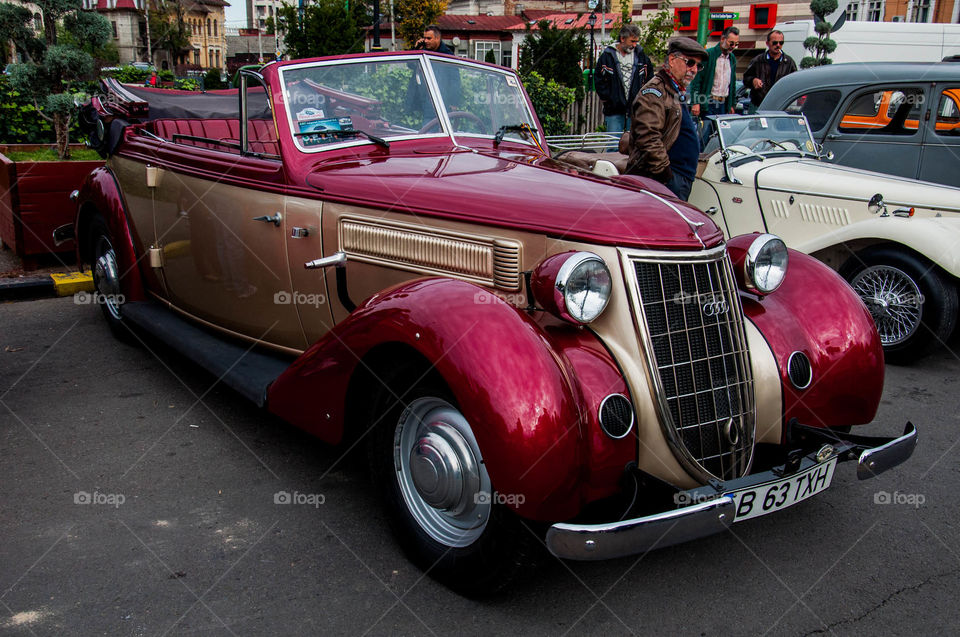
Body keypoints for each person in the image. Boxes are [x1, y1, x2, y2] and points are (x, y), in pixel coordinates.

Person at [626, 37, 707, 201]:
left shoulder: (675, 90)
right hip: (665, 179)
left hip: (679, 177)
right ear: (672, 60)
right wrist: (666, 174)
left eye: (698, 65)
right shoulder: (654, 92)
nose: (694, 69)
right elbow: (648, 136)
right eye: (690, 62)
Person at [594, 24, 654, 137]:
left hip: (636, 109)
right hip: (614, 109)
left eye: (636, 41)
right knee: (613, 144)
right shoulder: (607, 57)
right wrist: (608, 99)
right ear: (622, 39)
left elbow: (649, 79)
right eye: (632, 41)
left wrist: (644, 100)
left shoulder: (642, 57)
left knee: (634, 144)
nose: (635, 45)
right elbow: (599, 80)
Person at [688, 26, 738, 145]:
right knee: (704, 136)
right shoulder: (709, 55)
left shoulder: (732, 58)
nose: (733, 47)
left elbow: (732, 83)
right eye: (731, 43)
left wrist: (731, 104)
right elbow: (696, 80)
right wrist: (696, 102)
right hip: (709, 102)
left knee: (720, 139)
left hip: (723, 103)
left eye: (736, 44)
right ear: (722, 39)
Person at [743, 30, 797, 110]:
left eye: (781, 43)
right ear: (767, 43)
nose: (778, 45)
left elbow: (794, 82)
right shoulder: (758, 60)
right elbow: (745, 79)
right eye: (774, 43)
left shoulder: (789, 62)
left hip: (780, 106)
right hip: (759, 105)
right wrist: (753, 80)